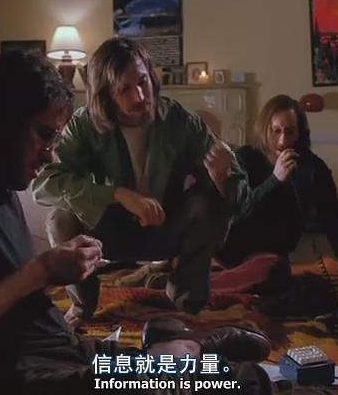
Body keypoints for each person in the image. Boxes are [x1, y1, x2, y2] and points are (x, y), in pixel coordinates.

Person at [0, 51, 271, 395]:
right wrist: (43, 270)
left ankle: (183, 345)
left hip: (65, 346)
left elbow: (239, 200)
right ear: (3, 121)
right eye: (44, 134)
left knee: (188, 374)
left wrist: (224, 181)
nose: (49, 152)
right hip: (29, 374)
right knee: (216, 383)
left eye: (143, 82)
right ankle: (184, 347)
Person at [32, 37, 248, 320]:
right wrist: (117, 194)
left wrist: (222, 179)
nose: (139, 96)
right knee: (60, 219)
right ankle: (83, 304)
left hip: (166, 227)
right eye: (124, 89)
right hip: (107, 232)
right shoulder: (84, 124)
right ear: (106, 94)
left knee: (210, 206)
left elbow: (242, 194)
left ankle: (188, 300)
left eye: (143, 82)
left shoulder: (179, 120)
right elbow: (44, 184)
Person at [213, 94, 338, 294]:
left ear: (300, 133)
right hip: (232, 248)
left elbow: (334, 221)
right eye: (276, 131)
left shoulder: (313, 168)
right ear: (265, 129)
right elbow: (236, 212)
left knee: (274, 275)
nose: (282, 141)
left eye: (289, 132)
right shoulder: (245, 158)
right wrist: (275, 180)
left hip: (270, 256)